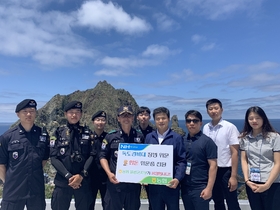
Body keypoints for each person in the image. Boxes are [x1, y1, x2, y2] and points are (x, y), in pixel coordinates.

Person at [0, 99, 50, 210]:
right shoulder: (7, 137)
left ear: (36, 113)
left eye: (32, 111)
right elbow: (1, 164)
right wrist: (9, 182)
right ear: (18, 114)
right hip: (13, 191)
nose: (29, 114)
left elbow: (44, 159)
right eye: (25, 111)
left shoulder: (43, 136)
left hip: (36, 190)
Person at [50, 101, 95, 210]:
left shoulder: (88, 133)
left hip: (82, 182)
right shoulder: (57, 133)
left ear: (81, 114)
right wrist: (68, 176)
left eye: (77, 112)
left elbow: (92, 155)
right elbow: (53, 158)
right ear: (65, 114)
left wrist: (81, 175)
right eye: (71, 112)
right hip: (62, 181)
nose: (74, 115)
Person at [100, 105, 144, 210]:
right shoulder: (111, 136)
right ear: (118, 118)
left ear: (133, 118)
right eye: (123, 116)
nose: (126, 118)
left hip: (133, 186)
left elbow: (144, 160)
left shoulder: (139, 137)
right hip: (115, 184)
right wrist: (109, 173)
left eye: (129, 115)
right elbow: (102, 156)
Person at [145, 107, 186, 210]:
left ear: (168, 119)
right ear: (154, 120)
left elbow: (181, 160)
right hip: (154, 185)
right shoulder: (149, 137)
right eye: (158, 119)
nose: (161, 121)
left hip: (171, 185)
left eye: (163, 118)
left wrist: (177, 178)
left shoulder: (176, 138)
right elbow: (145, 160)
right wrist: (143, 176)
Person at [203, 98, 241, 210]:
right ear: (207, 111)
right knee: (217, 200)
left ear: (222, 110)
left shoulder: (230, 127)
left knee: (232, 200)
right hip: (211, 169)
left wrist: (233, 176)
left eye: (216, 108)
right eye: (210, 109)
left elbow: (235, 153)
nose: (213, 111)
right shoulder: (206, 128)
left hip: (225, 170)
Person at [239, 106, 280, 210]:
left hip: (272, 183)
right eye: (251, 118)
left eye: (257, 118)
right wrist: (247, 181)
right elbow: (244, 160)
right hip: (252, 183)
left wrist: (267, 185)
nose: (254, 121)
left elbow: (278, 163)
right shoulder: (244, 138)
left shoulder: (274, 137)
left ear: (263, 118)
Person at [181, 110, 217, 210]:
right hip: (185, 186)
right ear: (186, 123)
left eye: (195, 121)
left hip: (200, 187)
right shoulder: (182, 140)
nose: (191, 123)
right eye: (189, 121)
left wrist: (209, 188)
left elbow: (213, 166)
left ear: (201, 123)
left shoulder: (207, 142)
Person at [136, 106, 155, 210]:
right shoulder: (133, 132)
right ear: (137, 117)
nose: (144, 117)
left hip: (150, 172)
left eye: (146, 115)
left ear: (149, 117)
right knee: (133, 200)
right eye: (141, 114)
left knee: (153, 200)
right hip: (135, 171)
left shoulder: (154, 133)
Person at [89, 110, 108, 210]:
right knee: (89, 205)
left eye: (102, 120)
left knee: (108, 205)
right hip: (90, 177)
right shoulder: (87, 138)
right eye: (98, 120)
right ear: (93, 122)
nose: (100, 122)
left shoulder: (109, 137)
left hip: (105, 177)